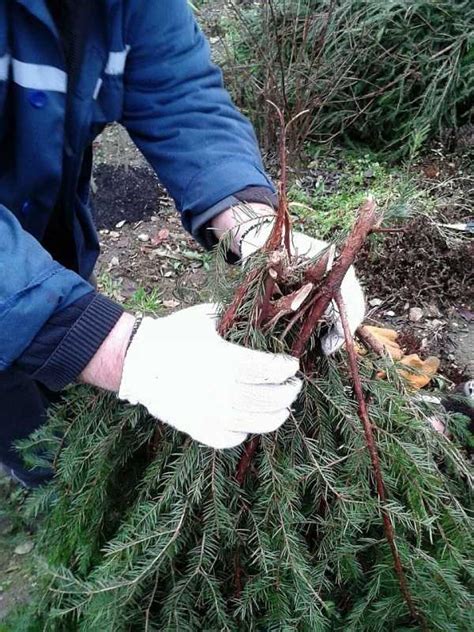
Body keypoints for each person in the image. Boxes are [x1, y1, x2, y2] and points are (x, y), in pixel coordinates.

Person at [0, 0, 365, 487]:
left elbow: (181, 99)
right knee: (24, 418)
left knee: (62, 383)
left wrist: (254, 226)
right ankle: (46, 487)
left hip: (51, 245)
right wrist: (123, 353)